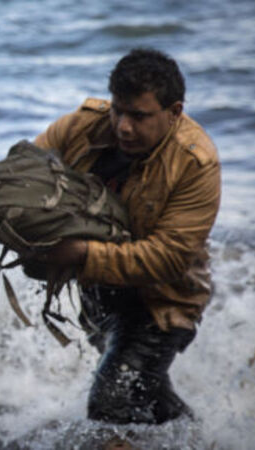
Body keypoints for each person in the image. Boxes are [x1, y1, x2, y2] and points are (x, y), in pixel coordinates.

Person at [34, 48, 221, 425]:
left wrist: (81, 253)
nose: (123, 126)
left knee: (111, 402)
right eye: (118, 111)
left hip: (163, 301)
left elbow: (169, 257)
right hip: (99, 292)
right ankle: (202, 440)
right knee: (148, 399)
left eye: (139, 116)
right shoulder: (82, 128)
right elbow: (24, 173)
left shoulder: (195, 162)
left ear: (174, 111)